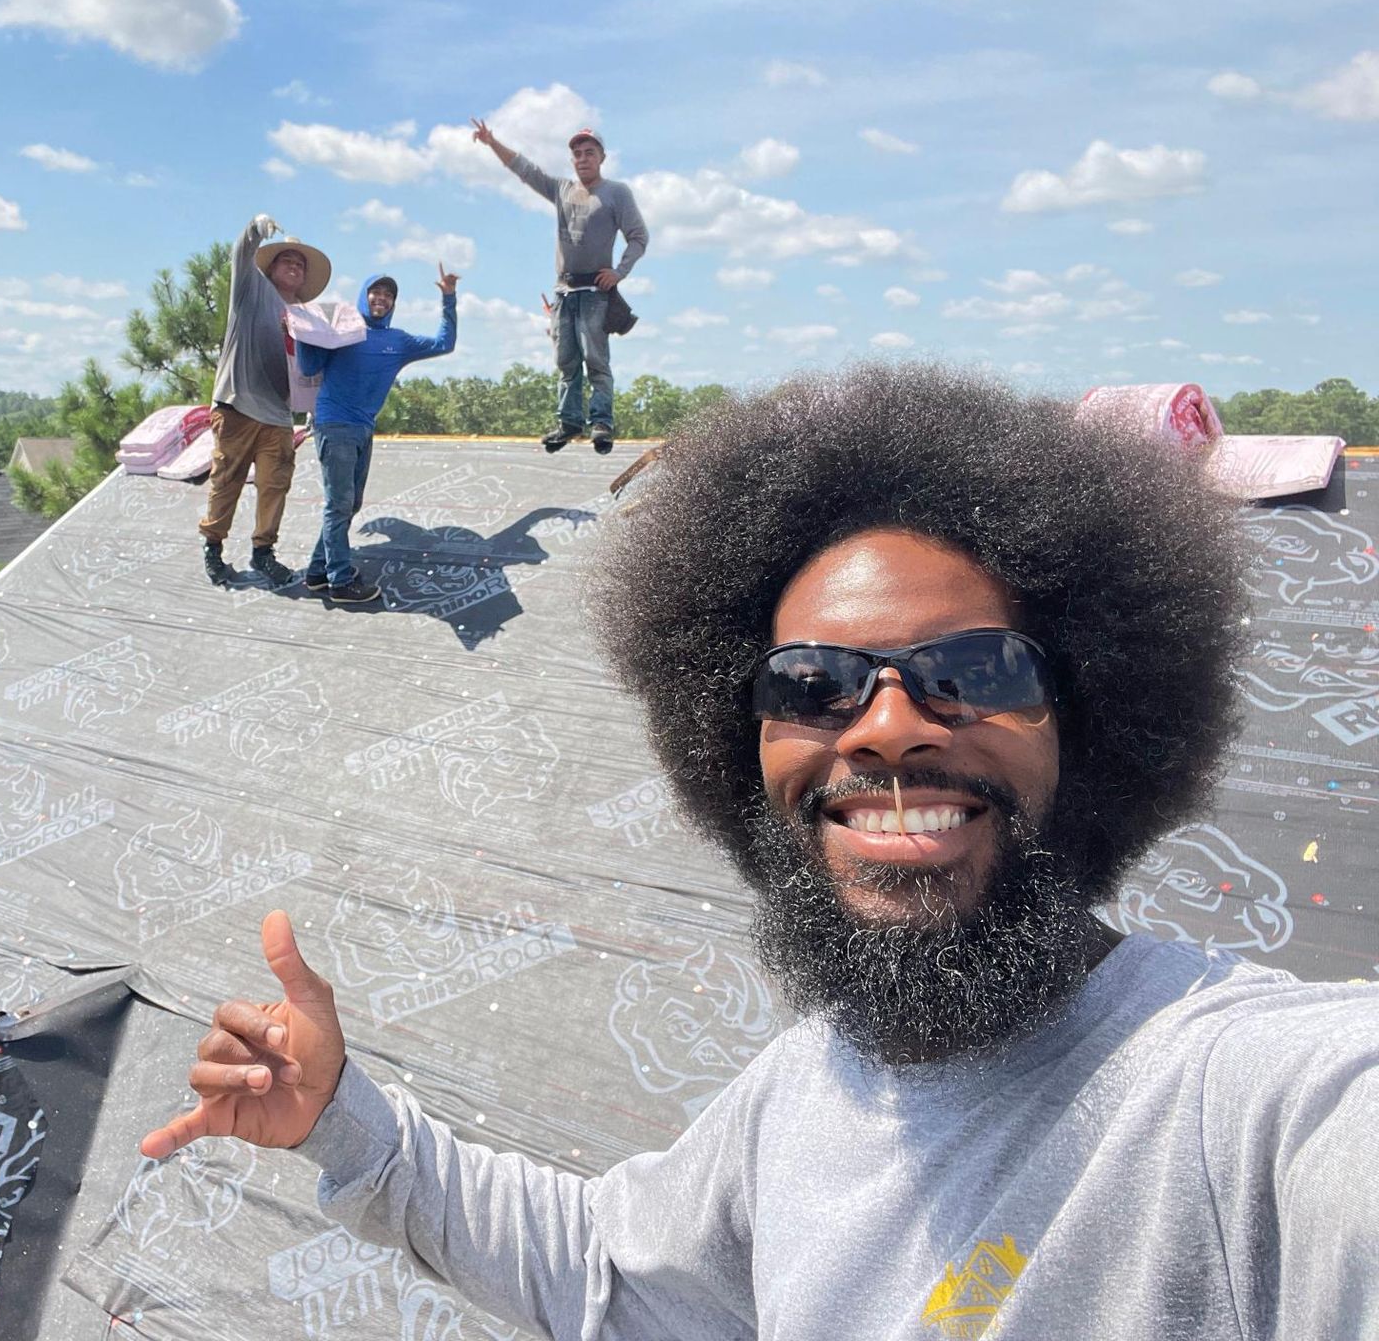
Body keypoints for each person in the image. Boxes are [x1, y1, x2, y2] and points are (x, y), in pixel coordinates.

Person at [141, 360, 1379, 1338]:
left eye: (973, 673)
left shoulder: (1244, 1106)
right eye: (815, 683)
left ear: (1089, 722)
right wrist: (341, 1120)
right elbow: (601, 1272)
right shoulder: (807, 1090)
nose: (888, 728)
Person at [470, 118, 647, 455]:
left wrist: (619, 272)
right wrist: (492, 142)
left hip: (595, 291)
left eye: (589, 153)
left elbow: (639, 237)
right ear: (572, 160)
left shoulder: (616, 193)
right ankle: (569, 422)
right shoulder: (562, 190)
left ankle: (602, 423)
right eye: (577, 154)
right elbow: (525, 170)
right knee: (566, 362)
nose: (583, 158)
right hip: (564, 292)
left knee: (596, 359)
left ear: (602, 158)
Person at [293, 265, 459, 606]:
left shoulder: (397, 341)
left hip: (363, 428)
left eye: (388, 295)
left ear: (393, 303)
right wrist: (302, 332)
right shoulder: (342, 331)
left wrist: (448, 297)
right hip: (334, 424)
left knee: (348, 504)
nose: (381, 299)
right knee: (338, 504)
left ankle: (317, 572)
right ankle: (339, 581)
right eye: (376, 292)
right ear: (364, 296)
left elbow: (445, 342)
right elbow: (309, 367)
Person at [199, 214, 330, 585]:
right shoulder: (251, 289)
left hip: (277, 413)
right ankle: (213, 546)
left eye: (300, 263)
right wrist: (255, 229)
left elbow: (312, 369)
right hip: (237, 403)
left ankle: (263, 551)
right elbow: (240, 254)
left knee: (276, 484)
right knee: (228, 480)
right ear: (270, 267)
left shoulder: (306, 317)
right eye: (287, 259)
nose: (294, 266)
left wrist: (313, 409)